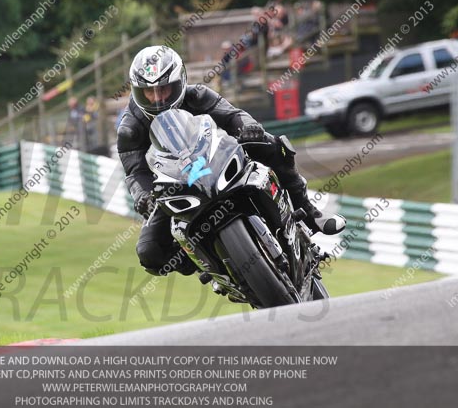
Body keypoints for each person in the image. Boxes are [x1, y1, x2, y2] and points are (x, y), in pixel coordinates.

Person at [117, 45, 346, 276]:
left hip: (214, 161)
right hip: (175, 185)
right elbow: (134, 171)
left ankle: (308, 211)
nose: (157, 98)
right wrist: (143, 196)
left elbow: (232, 116)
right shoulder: (130, 128)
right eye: (149, 92)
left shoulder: (197, 95)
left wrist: (249, 128)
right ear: (138, 92)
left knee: (271, 145)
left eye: (164, 89)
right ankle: (211, 267)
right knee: (149, 253)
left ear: (179, 82)